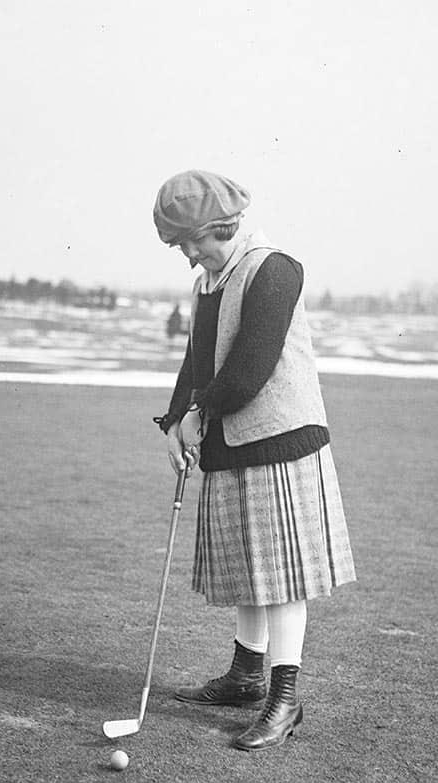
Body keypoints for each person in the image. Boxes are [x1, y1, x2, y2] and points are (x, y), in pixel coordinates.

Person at [152, 169, 355, 751]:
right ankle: (246, 677)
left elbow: (249, 367)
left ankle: (284, 701)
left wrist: (199, 413)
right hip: (232, 443)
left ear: (224, 225)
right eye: (180, 245)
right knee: (249, 568)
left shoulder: (274, 269)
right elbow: (198, 362)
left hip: (281, 443)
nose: (191, 255)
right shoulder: (209, 281)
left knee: (282, 577)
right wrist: (174, 420)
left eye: (196, 241)